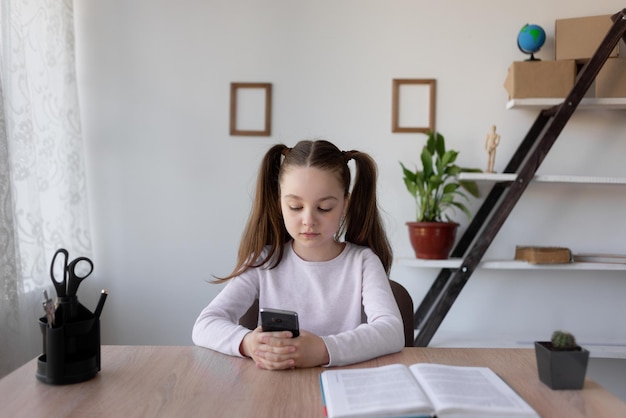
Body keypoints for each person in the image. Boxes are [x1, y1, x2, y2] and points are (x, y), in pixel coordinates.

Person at [192, 139, 404, 370]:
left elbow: (391, 331)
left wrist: (324, 350)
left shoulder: (363, 262)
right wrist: (249, 344)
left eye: (324, 208)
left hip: (346, 389)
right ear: (279, 203)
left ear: (345, 204)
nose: (309, 220)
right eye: (295, 206)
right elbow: (205, 324)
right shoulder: (264, 262)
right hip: (276, 391)